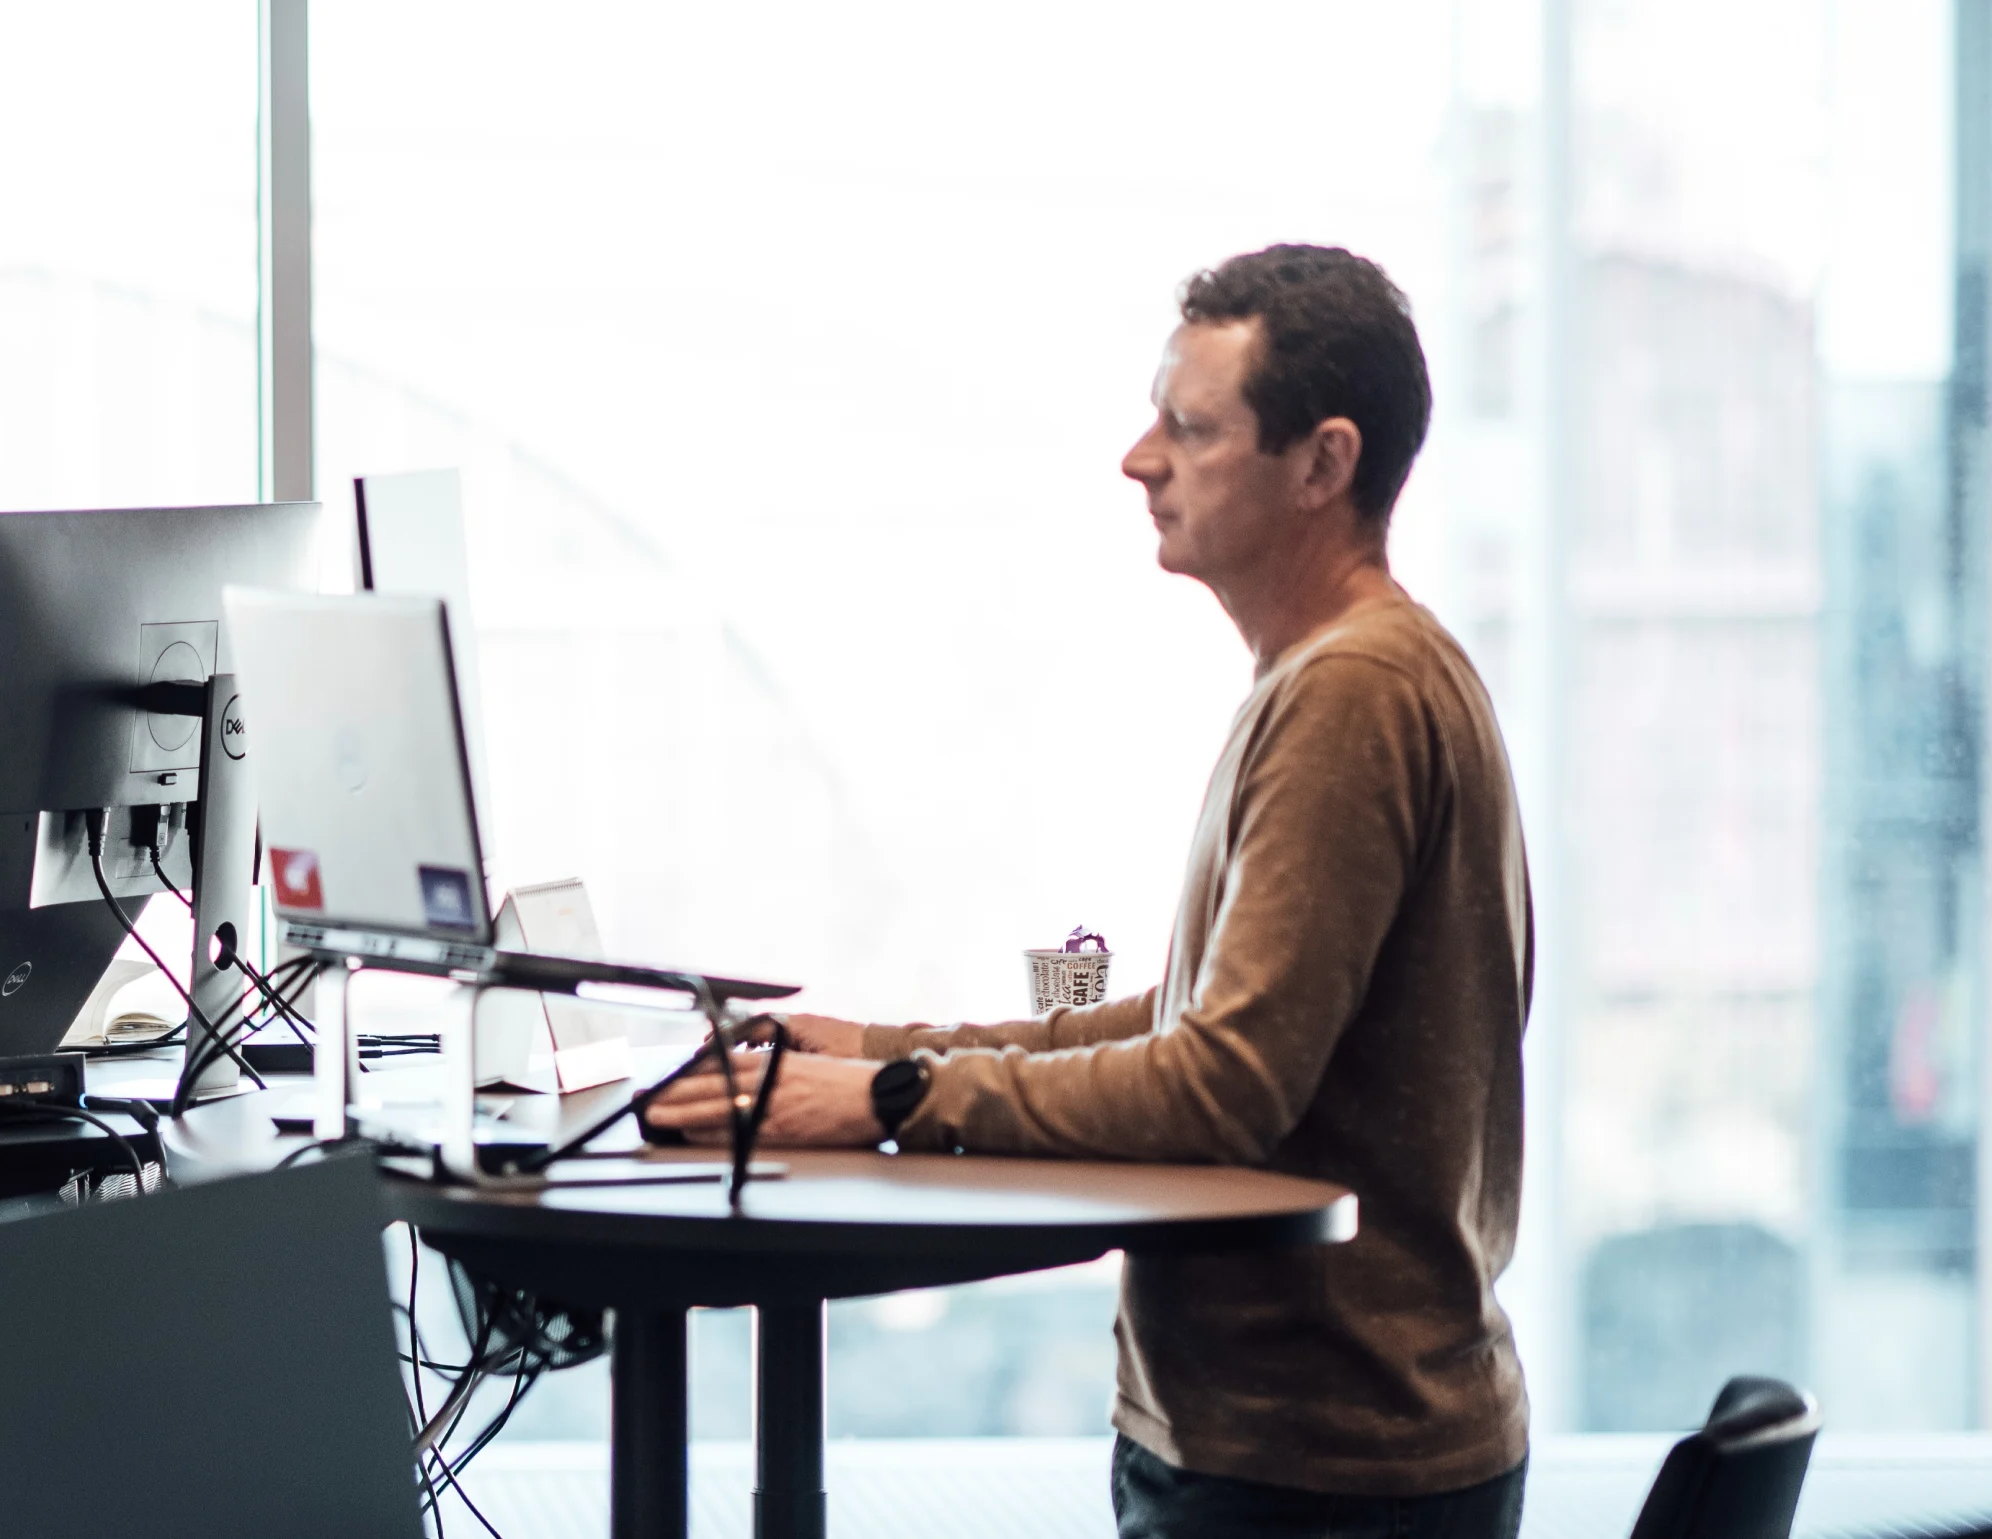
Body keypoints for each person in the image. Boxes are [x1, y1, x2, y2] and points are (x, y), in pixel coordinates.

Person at [652, 245, 1531, 1537]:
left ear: (1323, 463)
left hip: (1316, 1466)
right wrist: (885, 1051)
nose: (1139, 457)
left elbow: (1221, 1084)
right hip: (1325, 1445)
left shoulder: (1354, 693)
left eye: (1190, 426)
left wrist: (893, 1100)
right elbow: (1192, 1019)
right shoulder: (1349, 672)